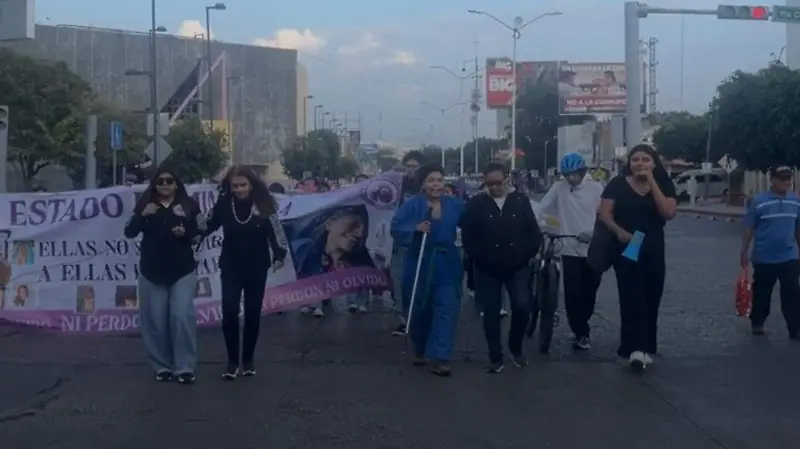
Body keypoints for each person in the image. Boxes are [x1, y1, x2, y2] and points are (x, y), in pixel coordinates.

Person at [203, 165, 288, 380]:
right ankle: (232, 362)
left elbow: (276, 232)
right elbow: (207, 225)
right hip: (231, 265)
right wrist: (189, 235)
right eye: (235, 186)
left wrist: (279, 255)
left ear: (251, 184)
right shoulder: (224, 205)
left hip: (257, 265)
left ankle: (247, 360)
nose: (239, 189)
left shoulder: (264, 204)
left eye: (243, 185)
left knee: (252, 313)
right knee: (230, 311)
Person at [598, 144, 677, 371]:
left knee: (653, 293)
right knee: (633, 295)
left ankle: (645, 346)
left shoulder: (662, 184)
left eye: (645, 160)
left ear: (654, 163)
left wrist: (651, 182)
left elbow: (668, 212)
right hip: (629, 243)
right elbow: (604, 214)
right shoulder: (617, 185)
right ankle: (634, 348)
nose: (640, 164)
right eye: (635, 160)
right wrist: (618, 231)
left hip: (653, 243)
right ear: (629, 164)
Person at [123, 168, 202, 385]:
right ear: (155, 185)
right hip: (152, 271)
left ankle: (184, 367)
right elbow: (129, 232)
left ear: (177, 184)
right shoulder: (145, 205)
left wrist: (185, 232)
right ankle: (162, 366)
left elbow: (201, 231)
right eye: (160, 181)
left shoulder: (189, 206)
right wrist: (142, 215)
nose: (165, 185)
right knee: (155, 320)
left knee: (180, 316)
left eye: (169, 181)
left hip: (182, 270)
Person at [461, 163, 542, 372]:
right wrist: (480, 257)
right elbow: (468, 236)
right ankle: (495, 356)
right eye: (490, 184)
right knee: (490, 313)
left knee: (522, 306)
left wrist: (527, 254)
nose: (495, 187)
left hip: (517, 265)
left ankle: (515, 346)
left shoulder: (520, 201)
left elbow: (533, 232)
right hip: (487, 267)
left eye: (498, 182)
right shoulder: (477, 204)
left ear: (507, 179)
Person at [391, 164, 464, 376]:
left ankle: (441, 357)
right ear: (423, 184)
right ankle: (420, 347)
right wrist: (414, 229)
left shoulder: (455, 205)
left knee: (446, 308)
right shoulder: (411, 205)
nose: (436, 185)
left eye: (440, 180)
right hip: (419, 260)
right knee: (419, 308)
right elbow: (396, 227)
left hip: (447, 262)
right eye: (431, 180)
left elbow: (472, 222)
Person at [535, 152, 604, 350]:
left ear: (582, 172)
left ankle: (582, 323)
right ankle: (581, 332)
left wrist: (592, 233)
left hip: (592, 246)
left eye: (575, 174)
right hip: (568, 247)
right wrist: (537, 223)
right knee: (573, 292)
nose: (571, 178)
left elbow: (604, 215)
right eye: (567, 175)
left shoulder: (596, 189)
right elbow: (542, 208)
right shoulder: (559, 188)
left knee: (590, 291)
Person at [740, 165, 800, 340]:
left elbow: (798, 229)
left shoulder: (795, 201)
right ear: (772, 180)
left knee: (793, 293)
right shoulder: (759, 201)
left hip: (789, 257)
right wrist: (744, 251)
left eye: (788, 179)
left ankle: (795, 328)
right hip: (764, 257)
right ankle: (757, 322)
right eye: (782, 179)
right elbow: (749, 228)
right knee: (762, 293)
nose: (786, 182)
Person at [390, 150, 425, 336]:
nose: (411, 170)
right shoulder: (396, 188)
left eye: (414, 166)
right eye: (408, 166)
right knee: (398, 281)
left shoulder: (426, 189)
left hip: (420, 243)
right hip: (399, 242)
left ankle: (416, 317)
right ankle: (402, 318)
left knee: (417, 282)